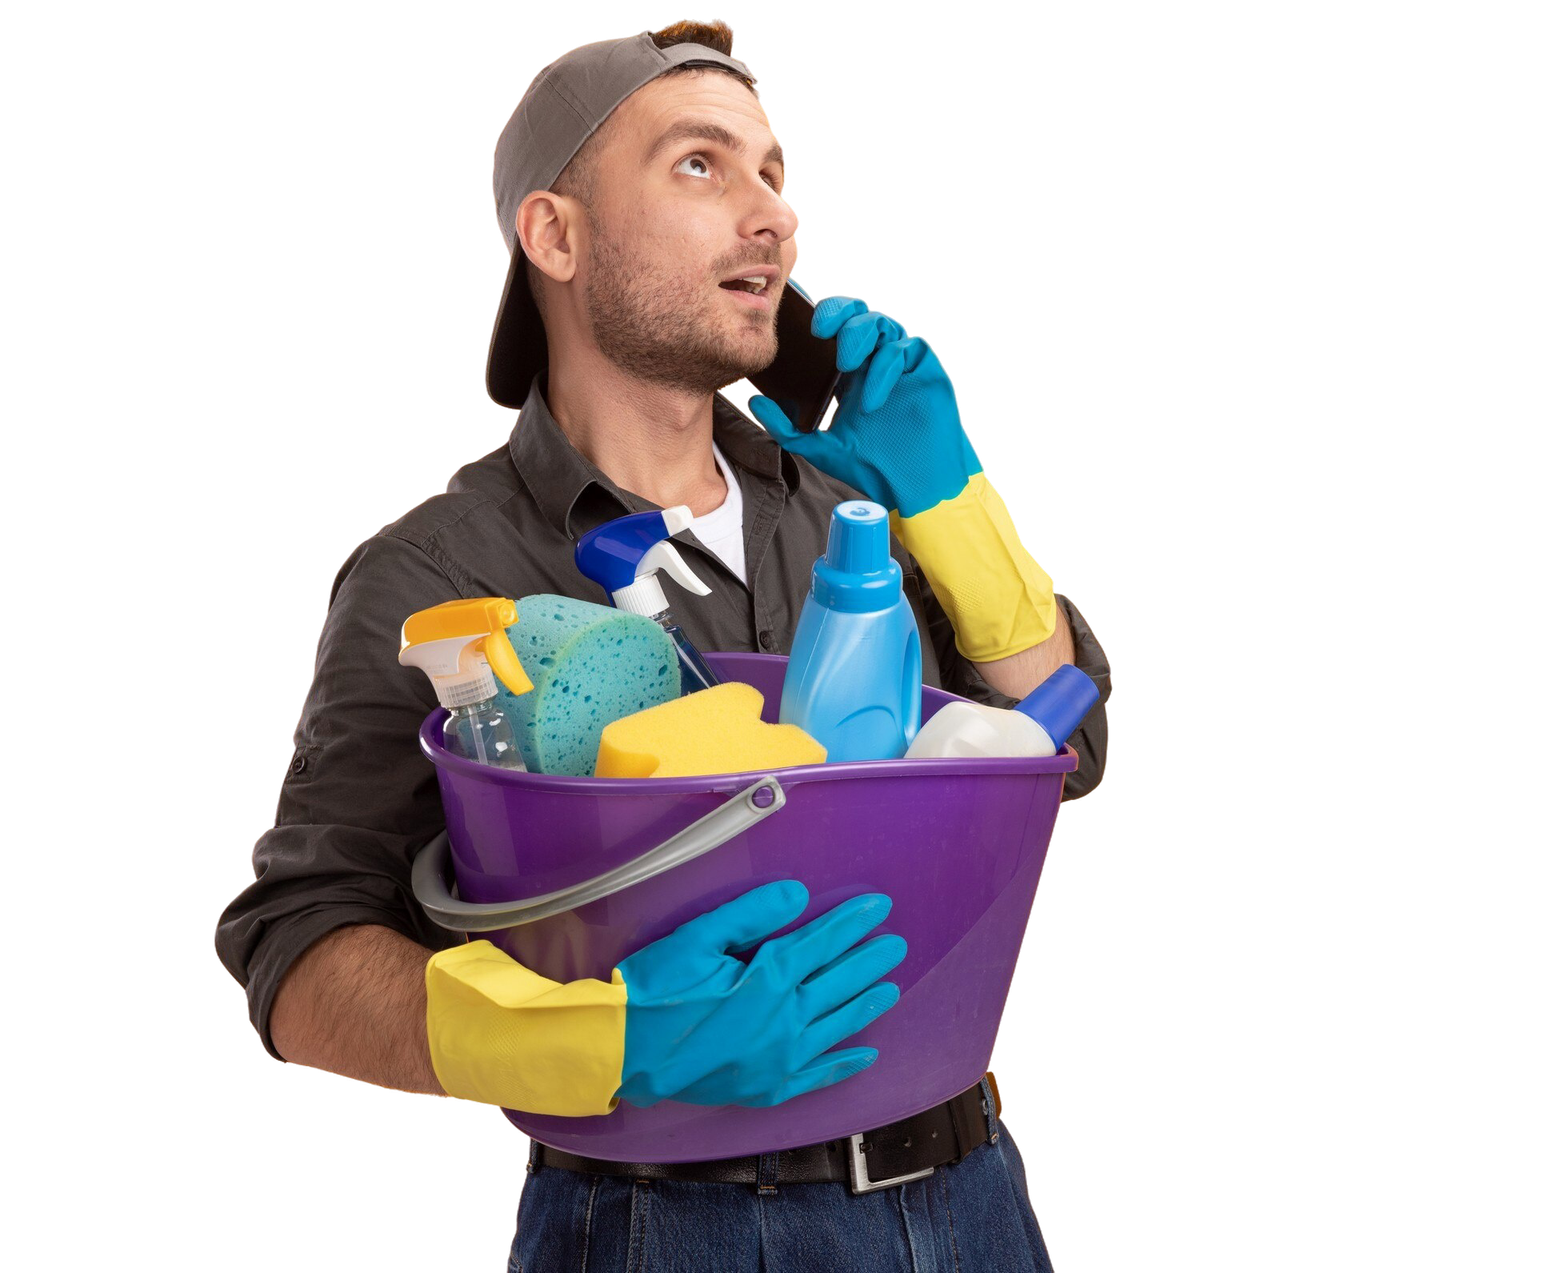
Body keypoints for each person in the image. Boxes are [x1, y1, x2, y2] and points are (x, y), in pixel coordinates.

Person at [215, 19, 1111, 1271]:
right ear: (556, 236)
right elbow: (295, 947)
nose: (774, 219)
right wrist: (594, 1043)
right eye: (701, 165)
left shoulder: (846, 498)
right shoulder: (436, 574)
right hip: (658, 1223)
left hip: (971, 1195)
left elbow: (1061, 745)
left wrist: (952, 495)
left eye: (775, 174)